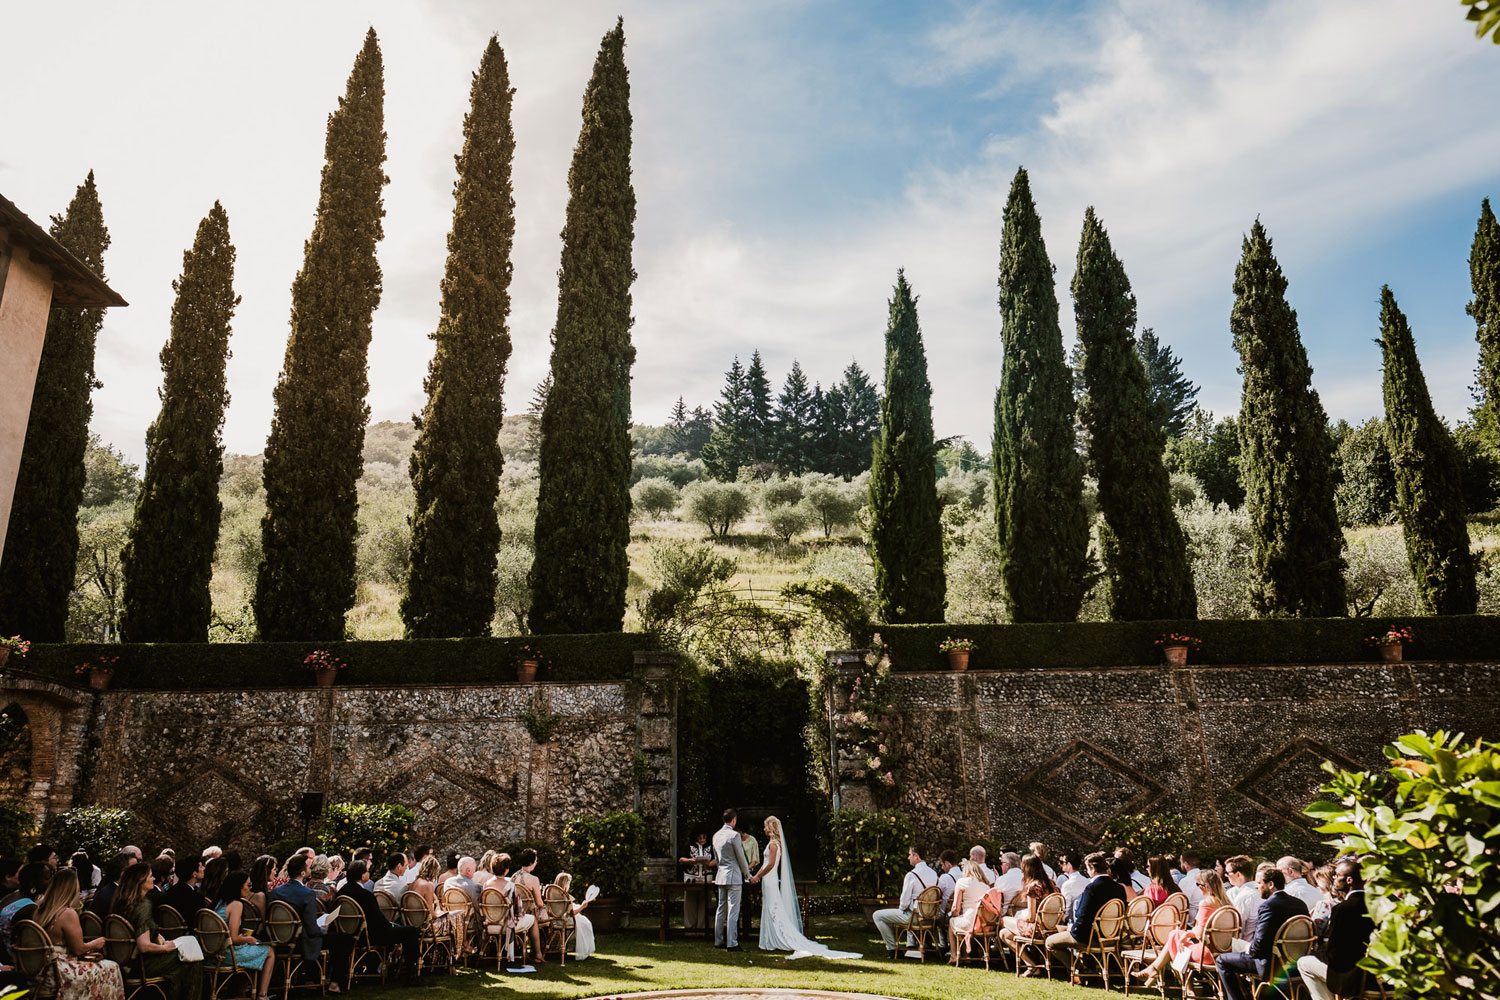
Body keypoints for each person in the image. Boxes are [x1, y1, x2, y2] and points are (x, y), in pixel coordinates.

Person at [749, 815, 857, 959]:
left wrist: (758, 876)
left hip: (770, 879)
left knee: (773, 907)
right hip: (767, 879)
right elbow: (765, 864)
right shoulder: (773, 843)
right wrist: (756, 875)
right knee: (769, 906)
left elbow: (770, 864)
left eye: (765, 826)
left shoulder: (774, 844)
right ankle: (770, 938)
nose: (763, 829)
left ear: (770, 827)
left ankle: (777, 937)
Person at [28, 867, 124, 1000]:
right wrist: (95, 944)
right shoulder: (67, 913)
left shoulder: (38, 910)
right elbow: (78, 949)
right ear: (72, 889)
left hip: (38, 971)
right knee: (112, 967)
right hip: (59, 973)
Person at [1215, 868, 1310, 1000]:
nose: (1256, 886)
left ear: (1270, 885)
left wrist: (1246, 947)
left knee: (1222, 960)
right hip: (1295, 963)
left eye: (1259, 883)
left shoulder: (1268, 906)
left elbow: (1258, 948)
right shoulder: (1300, 904)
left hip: (1272, 965)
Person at [112, 863, 202, 1000]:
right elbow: (144, 946)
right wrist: (166, 948)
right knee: (193, 959)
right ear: (141, 881)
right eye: (150, 876)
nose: (154, 879)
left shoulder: (120, 902)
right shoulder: (142, 905)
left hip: (124, 962)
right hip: (140, 964)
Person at [1133, 869, 1233, 988]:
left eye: (1198, 885)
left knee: (1174, 935)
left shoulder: (1206, 903)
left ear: (1204, 886)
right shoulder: (1228, 904)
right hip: (1225, 951)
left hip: (1207, 954)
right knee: (1177, 936)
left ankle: (1184, 985)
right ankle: (1155, 969)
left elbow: (1200, 933)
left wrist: (1187, 934)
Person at [269, 854, 352, 994]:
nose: (310, 869)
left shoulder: (276, 891)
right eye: (308, 867)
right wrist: (323, 929)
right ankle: (334, 983)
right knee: (344, 939)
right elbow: (312, 929)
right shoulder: (306, 893)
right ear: (302, 872)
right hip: (301, 941)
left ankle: (313, 977)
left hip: (278, 939)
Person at [1296, 858, 1375, 1000]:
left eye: (1338, 875)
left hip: (1351, 976)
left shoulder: (1343, 909)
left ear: (1349, 880)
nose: (1334, 878)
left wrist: (1316, 954)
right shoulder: (1377, 906)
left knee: (1304, 963)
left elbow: (1334, 954)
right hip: (1376, 976)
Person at [341, 862, 421, 986]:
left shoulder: (341, 893)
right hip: (370, 935)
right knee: (410, 931)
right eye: (367, 871)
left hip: (348, 934)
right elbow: (377, 920)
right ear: (363, 876)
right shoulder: (365, 895)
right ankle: (411, 972)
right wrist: (391, 925)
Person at [1046, 852, 1125, 975]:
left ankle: (1079, 970)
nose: (1087, 872)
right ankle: (1089, 966)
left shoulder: (1092, 888)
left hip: (1090, 937)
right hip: (1112, 937)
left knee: (1050, 942)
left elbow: (1084, 916)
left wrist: (1072, 930)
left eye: (1087, 869)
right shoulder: (1119, 888)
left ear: (1092, 868)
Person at [212, 871, 274, 1000]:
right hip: (227, 954)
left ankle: (240, 991)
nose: (250, 888)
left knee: (254, 949)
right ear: (239, 886)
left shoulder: (219, 902)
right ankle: (262, 995)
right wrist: (248, 939)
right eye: (248, 885)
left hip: (212, 952)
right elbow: (234, 938)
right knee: (270, 952)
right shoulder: (236, 904)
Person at [871, 844, 937, 959]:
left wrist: (901, 911)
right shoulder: (934, 874)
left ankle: (892, 949)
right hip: (930, 918)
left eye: (910, 854)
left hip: (914, 917)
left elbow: (904, 903)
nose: (908, 857)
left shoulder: (911, 875)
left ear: (916, 856)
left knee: (877, 916)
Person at [711, 809, 750, 952]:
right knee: (733, 910)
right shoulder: (734, 835)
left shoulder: (716, 835)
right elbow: (740, 857)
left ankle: (718, 940)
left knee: (721, 909)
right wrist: (747, 874)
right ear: (733, 820)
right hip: (733, 876)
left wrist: (720, 868)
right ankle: (732, 943)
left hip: (721, 875)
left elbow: (716, 857)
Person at [508, 850, 547, 963]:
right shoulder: (534, 879)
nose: (536, 863)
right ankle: (539, 952)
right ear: (531, 862)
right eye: (535, 861)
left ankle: (522, 949)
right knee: (546, 919)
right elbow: (539, 903)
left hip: (515, 912)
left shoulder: (513, 877)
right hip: (528, 913)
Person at [946, 859, 989, 961]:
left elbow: (955, 908)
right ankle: (966, 955)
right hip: (983, 923)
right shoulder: (986, 885)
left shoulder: (962, 882)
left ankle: (954, 955)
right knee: (960, 920)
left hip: (970, 922)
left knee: (952, 923)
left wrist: (953, 914)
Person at [551, 873, 594, 960]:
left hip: (554, 919)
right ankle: (584, 949)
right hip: (565, 920)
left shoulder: (551, 893)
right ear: (565, 884)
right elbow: (571, 913)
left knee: (584, 922)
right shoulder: (565, 896)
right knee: (586, 924)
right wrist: (582, 906)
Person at [678, 830, 714, 932]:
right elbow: (681, 859)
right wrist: (690, 860)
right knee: (690, 902)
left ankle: (702, 927)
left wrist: (710, 863)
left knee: (705, 902)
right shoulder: (689, 845)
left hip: (706, 878)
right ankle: (690, 927)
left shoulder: (711, 846)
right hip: (691, 877)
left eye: (704, 838)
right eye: (700, 838)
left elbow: (717, 859)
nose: (702, 840)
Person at [1224, 855, 1260, 943]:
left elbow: (1236, 927)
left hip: (1246, 946)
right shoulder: (1263, 891)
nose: (1226, 876)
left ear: (1238, 874)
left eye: (1228, 873)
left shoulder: (1244, 897)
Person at [160, 855, 207, 920]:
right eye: (201, 867)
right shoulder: (196, 898)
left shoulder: (170, 892)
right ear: (194, 874)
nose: (204, 868)